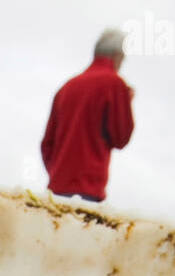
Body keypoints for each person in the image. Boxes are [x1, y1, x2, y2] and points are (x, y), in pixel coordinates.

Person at [40, 28, 135, 203]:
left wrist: (57, 172)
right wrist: (125, 101)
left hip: (56, 191)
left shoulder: (66, 88)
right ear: (116, 56)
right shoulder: (115, 85)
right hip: (90, 190)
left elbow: (47, 144)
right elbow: (121, 138)